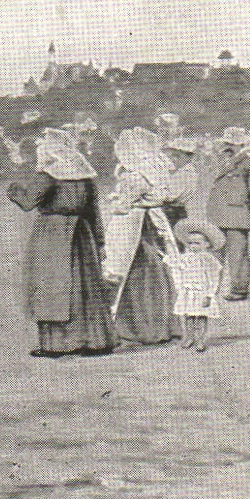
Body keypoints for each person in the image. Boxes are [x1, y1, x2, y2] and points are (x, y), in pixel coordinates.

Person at [7, 128, 117, 357]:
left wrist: (14, 189)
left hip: (53, 234)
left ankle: (57, 344)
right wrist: (99, 241)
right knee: (85, 286)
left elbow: (28, 202)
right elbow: (93, 211)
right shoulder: (84, 175)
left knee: (52, 284)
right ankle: (95, 341)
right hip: (82, 232)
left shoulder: (48, 174)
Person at [104, 128, 182, 345]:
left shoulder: (136, 176)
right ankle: (165, 325)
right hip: (154, 220)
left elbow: (123, 206)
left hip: (135, 224)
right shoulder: (157, 169)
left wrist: (115, 202)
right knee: (159, 269)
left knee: (135, 271)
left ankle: (142, 328)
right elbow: (159, 196)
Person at [207, 127, 250, 300]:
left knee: (237, 255)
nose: (226, 147)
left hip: (237, 216)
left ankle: (239, 290)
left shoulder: (249, 164)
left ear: (240, 145)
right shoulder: (220, 162)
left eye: (230, 144)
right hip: (217, 215)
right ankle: (210, 289)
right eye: (226, 144)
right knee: (214, 252)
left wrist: (248, 214)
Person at [165, 218, 225, 352]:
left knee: (201, 316)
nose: (193, 246)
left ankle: (200, 340)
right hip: (188, 290)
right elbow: (176, 264)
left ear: (207, 244)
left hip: (201, 291)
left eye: (197, 243)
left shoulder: (208, 259)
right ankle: (189, 337)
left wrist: (209, 294)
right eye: (190, 243)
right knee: (188, 316)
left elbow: (214, 276)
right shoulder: (186, 257)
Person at [161, 137, 202, 225]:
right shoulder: (190, 171)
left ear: (188, 156)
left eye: (177, 155)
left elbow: (170, 196)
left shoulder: (183, 174)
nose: (173, 159)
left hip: (171, 212)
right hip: (179, 210)